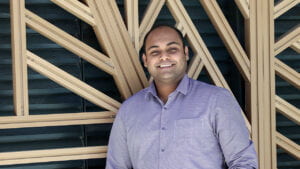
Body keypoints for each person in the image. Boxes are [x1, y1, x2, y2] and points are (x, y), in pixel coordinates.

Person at [105, 25, 258, 169]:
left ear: (185, 53)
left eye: (172, 49)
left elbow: (244, 162)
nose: (164, 56)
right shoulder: (129, 110)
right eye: (155, 52)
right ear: (145, 60)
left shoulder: (217, 100)